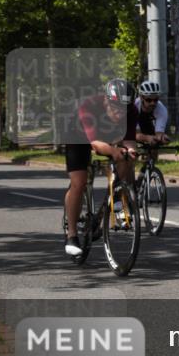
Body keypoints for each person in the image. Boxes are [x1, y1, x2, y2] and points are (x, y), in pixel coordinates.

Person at [63, 79, 139, 257]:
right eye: (116, 108)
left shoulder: (132, 110)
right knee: (79, 182)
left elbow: (129, 140)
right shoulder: (88, 106)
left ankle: (113, 199)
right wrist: (113, 150)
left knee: (126, 159)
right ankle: (72, 235)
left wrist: (130, 150)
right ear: (106, 100)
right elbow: (96, 144)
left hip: (107, 134)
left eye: (124, 109)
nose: (120, 114)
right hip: (78, 136)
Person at [134, 80, 171, 146]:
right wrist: (147, 138)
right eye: (149, 100)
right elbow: (135, 134)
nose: (153, 103)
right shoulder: (134, 107)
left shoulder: (162, 110)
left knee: (154, 145)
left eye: (156, 100)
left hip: (149, 124)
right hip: (135, 125)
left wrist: (162, 138)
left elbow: (158, 134)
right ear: (141, 97)